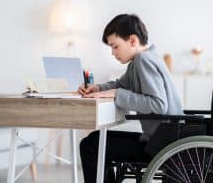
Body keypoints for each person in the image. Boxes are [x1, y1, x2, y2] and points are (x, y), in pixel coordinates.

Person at [78, 13, 183, 183]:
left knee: (91, 146)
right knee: (95, 140)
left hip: (161, 145)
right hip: (163, 139)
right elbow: (121, 84)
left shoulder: (143, 60)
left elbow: (158, 105)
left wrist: (117, 94)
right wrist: (97, 88)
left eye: (115, 46)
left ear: (133, 40)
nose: (112, 53)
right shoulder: (141, 60)